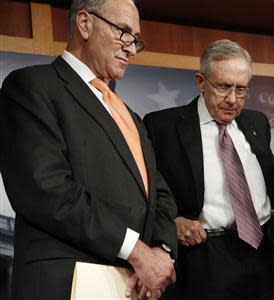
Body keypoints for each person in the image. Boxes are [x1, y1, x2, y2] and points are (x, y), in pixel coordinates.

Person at [0, 0, 177, 299]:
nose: (131, 48)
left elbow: (160, 195)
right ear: (85, 24)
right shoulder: (31, 87)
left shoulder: (130, 115)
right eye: (123, 32)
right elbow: (47, 190)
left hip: (135, 285)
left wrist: (159, 252)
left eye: (135, 38)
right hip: (68, 281)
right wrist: (136, 251)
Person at [143, 39, 274, 300]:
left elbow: (270, 173)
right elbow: (145, 189)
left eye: (241, 89)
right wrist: (171, 222)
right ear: (200, 82)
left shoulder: (257, 122)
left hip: (261, 255)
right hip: (202, 257)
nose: (232, 99)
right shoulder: (162, 127)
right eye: (223, 87)